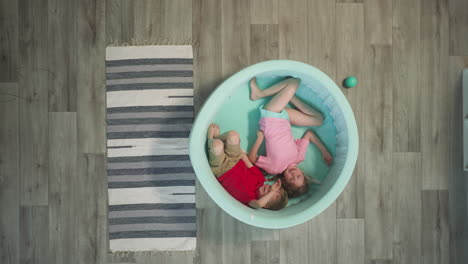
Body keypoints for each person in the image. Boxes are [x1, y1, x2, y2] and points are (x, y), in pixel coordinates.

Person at [248, 77, 332, 198]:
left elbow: (251, 159)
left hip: (270, 116)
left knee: (294, 82)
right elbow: (309, 134)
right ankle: (290, 96)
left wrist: (259, 139)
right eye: (298, 176)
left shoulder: (275, 168)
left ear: (285, 180)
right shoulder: (299, 157)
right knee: (319, 120)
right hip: (285, 119)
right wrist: (324, 152)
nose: (293, 174)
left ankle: (259, 94)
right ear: (303, 173)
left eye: (292, 179)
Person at [207, 123, 288, 210]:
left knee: (217, 145)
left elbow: (259, 204)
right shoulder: (260, 178)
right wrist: (237, 148)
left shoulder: (251, 199)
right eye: (272, 187)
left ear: (266, 204)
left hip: (221, 170)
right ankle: (218, 137)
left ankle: (210, 138)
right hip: (235, 159)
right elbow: (247, 162)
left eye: (270, 193)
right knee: (233, 135)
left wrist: (272, 191)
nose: (270, 188)